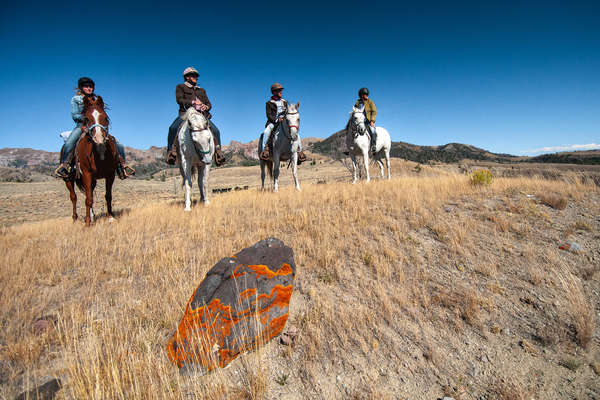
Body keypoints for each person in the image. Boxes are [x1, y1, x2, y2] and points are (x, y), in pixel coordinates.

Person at [55, 77, 132, 179]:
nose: (89, 88)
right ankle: (65, 165)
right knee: (69, 143)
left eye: (91, 86)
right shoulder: (76, 99)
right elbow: (74, 115)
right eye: (86, 86)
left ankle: (121, 166)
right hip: (82, 126)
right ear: (81, 88)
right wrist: (87, 118)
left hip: (96, 126)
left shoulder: (96, 100)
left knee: (119, 144)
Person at [166, 67, 226, 166]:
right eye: (193, 75)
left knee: (216, 131)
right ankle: (171, 152)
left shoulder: (202, 90)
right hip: (186, 114)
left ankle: (218, 153)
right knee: (172, 128)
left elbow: (209, 104)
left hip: (201, 115)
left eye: (196, 76)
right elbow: (179, 100)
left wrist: (205, 106)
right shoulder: (180, 87)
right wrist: (193, 102)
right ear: (187, 77)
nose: (196, 78)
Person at [259, 83, 307, 163]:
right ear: (274, 92)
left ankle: (299, 151)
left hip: (284, 122)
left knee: (295, 133)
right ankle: (265, 150)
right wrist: (277, 120)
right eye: (279, 90)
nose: (281, 92)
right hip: (273, 122)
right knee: (266, 131)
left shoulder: (285, 102)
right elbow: (269, 115)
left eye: (281, 90)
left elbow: (288, 111)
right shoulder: (269, 103)